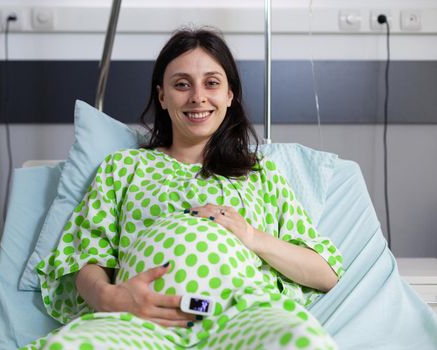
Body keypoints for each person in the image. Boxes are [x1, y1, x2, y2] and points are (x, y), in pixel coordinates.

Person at [23, 27, 344, 350]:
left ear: (230, 94)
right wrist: (110, 297)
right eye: (181, 84)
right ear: (162, 96)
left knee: (303, 342)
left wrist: (250, 236)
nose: (198, 97)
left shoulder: (260, 174)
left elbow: (324, 272)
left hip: (242, 317)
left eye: (212, 83)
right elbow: (85, 256)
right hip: (138, 321)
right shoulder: (123, 168)